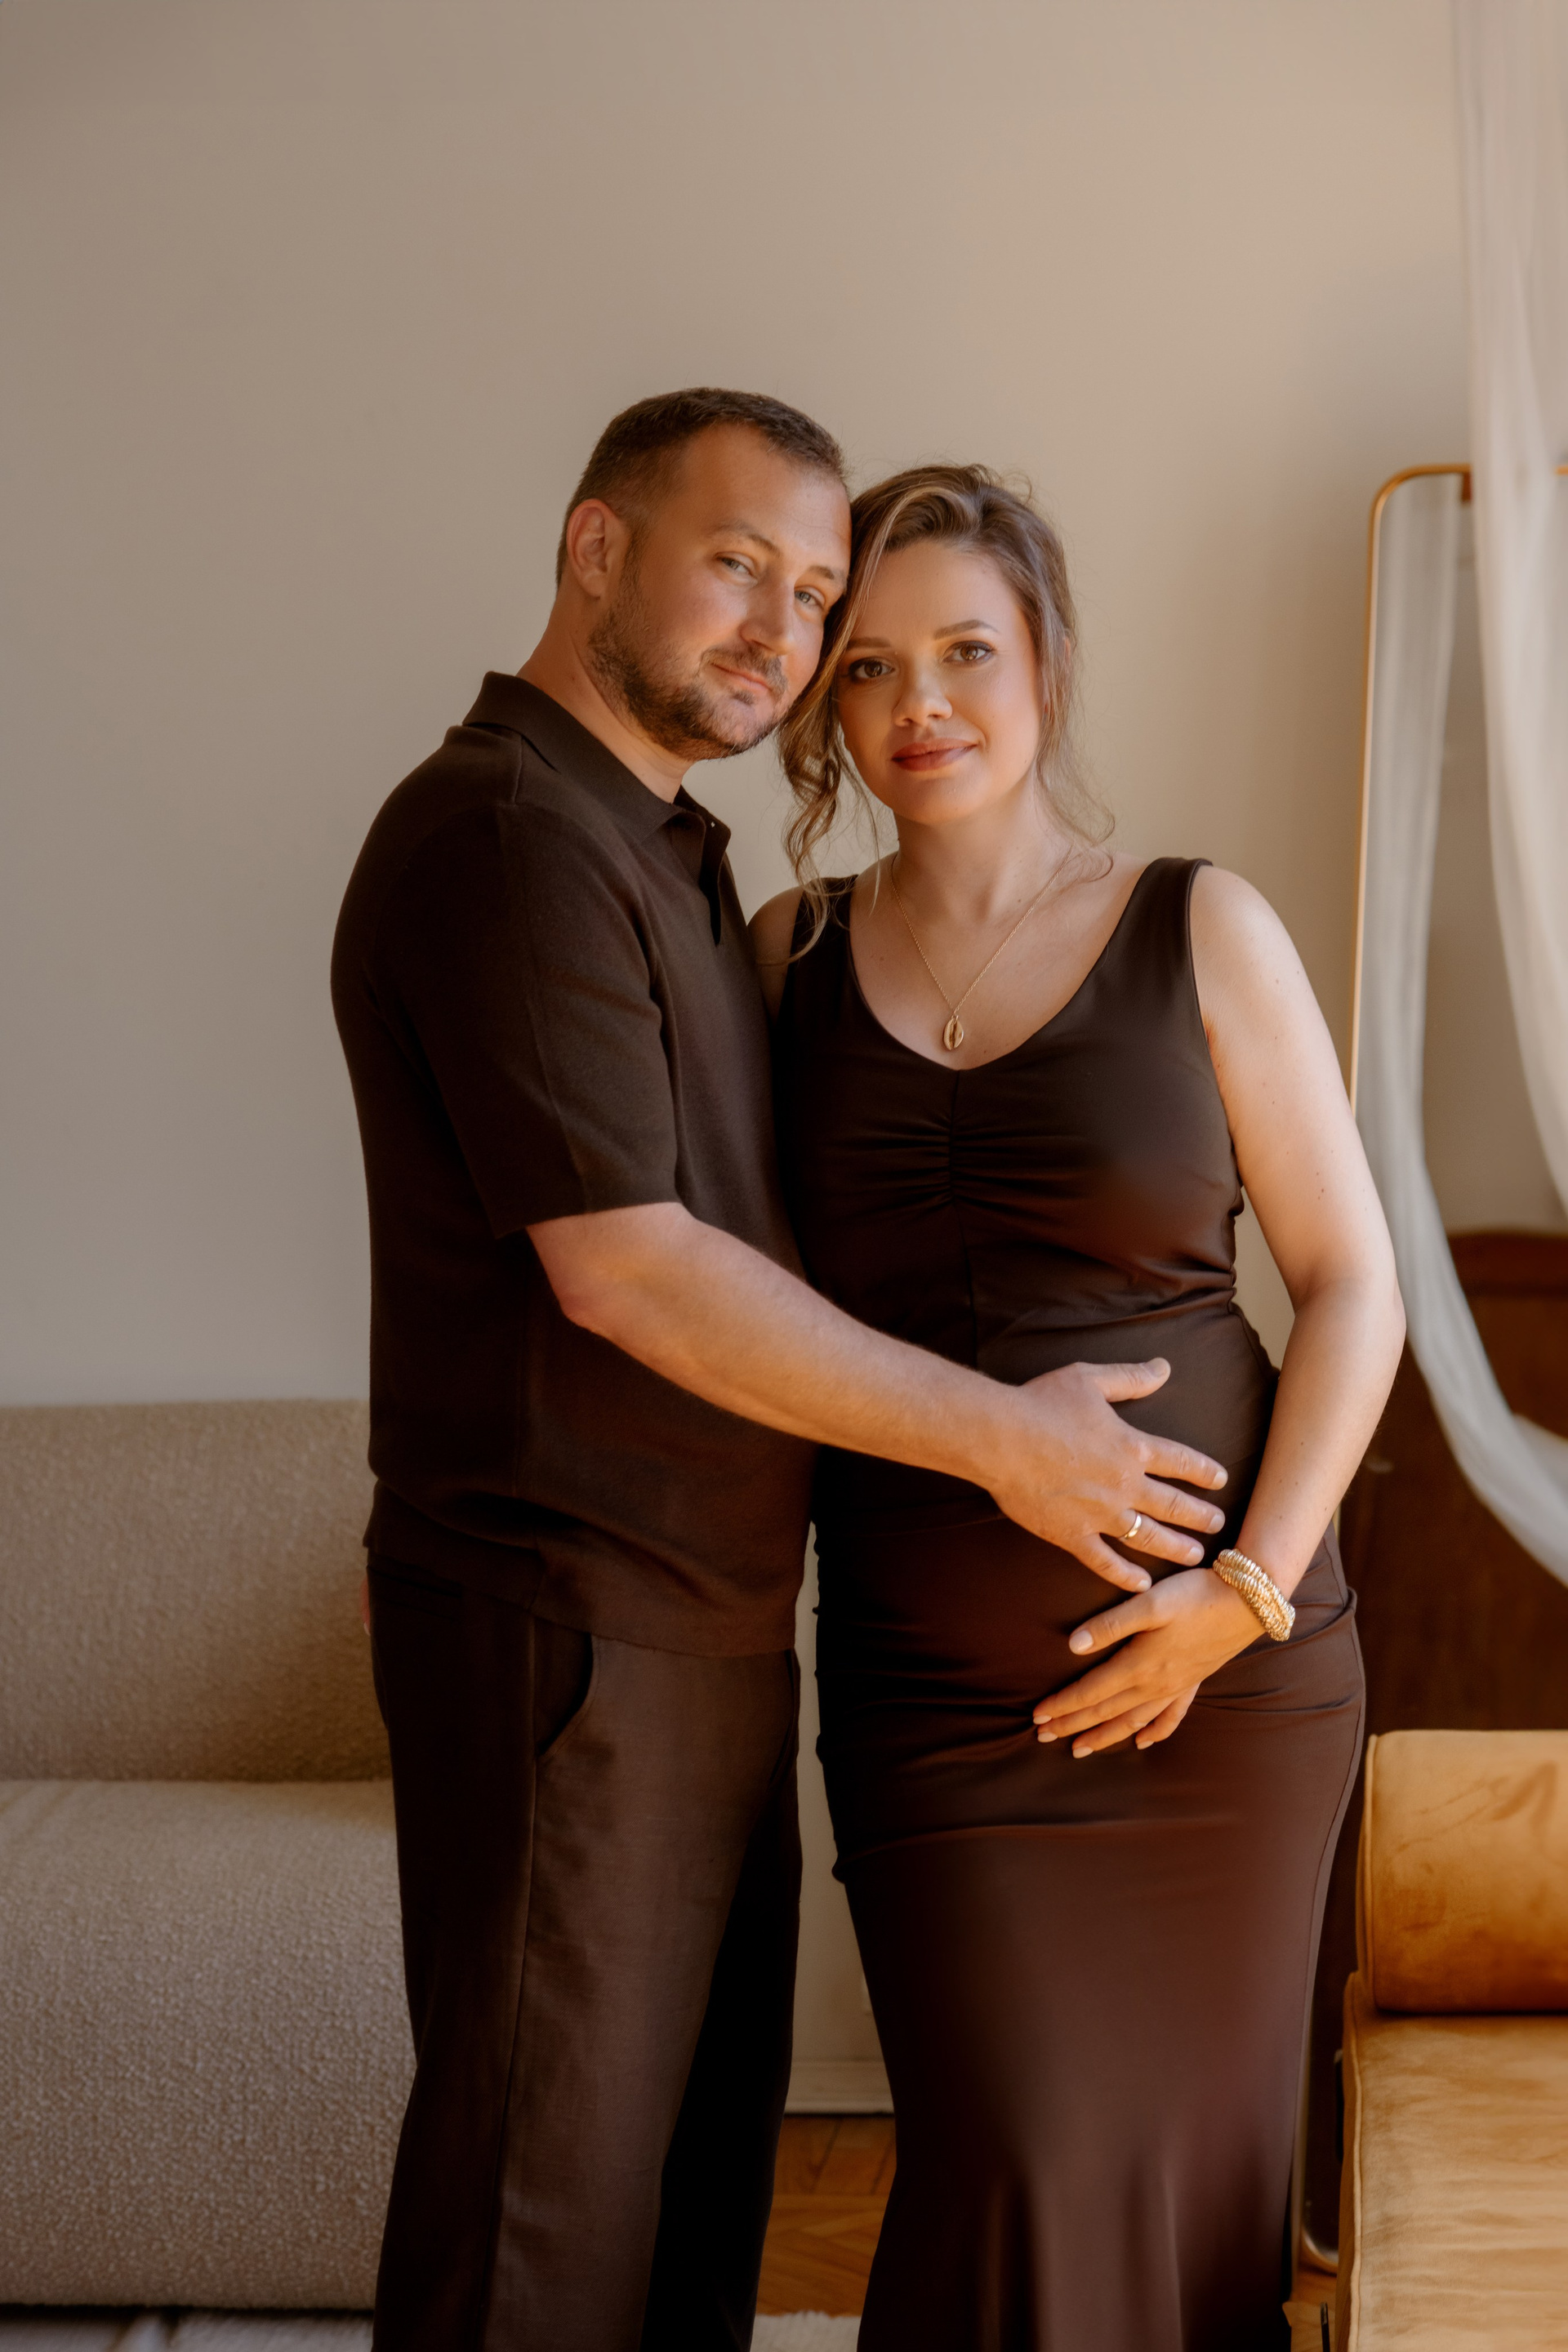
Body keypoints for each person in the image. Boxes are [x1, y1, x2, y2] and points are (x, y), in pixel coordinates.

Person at [332, 394, 1232, 2352]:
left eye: (814, 592)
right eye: (739, 564)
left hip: (707, 1631)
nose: (784, 629)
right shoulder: (508, 836)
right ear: (597, 549)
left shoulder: (659, 849)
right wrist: (1008, 1443)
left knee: (675, 2221)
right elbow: (631, 1272)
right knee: (540, 2229)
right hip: (573, 1624)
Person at [755, 464, 1404, 2351]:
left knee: (1196, 2204)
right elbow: (738, 1312)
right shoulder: (781, 959)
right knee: (1012, 2169)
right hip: (937, 1704)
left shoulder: (1202, 925)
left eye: (966, 650)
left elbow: (1354, 1286)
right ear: (825, 701)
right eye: (868, 666)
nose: (921, 703)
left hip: (1235, 1691)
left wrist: (1241, 1595)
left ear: (1045, 659)